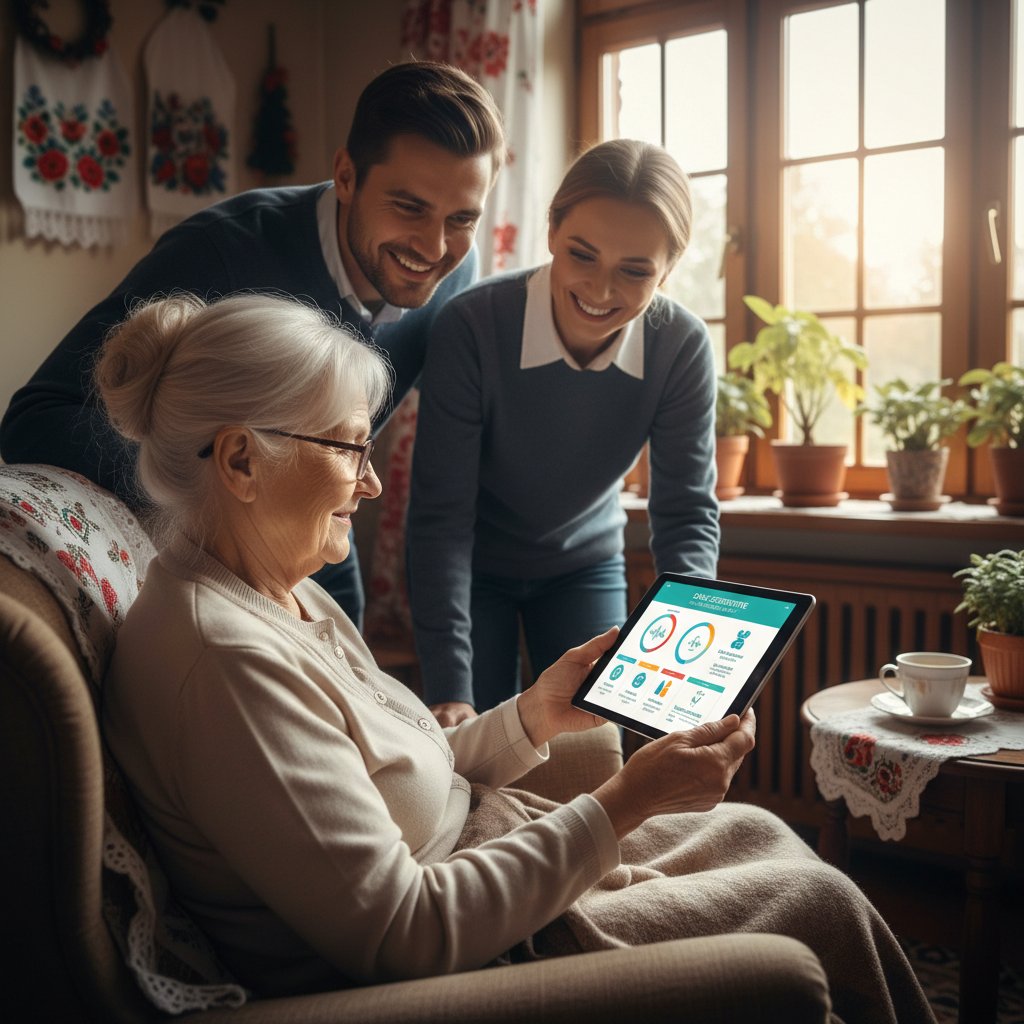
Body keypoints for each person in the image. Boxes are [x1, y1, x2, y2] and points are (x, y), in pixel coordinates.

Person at [96, 292, 933, 1024]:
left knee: (759, 832)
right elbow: (400, 932)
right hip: (482, 949)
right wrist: (623, 802)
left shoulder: (281, 589)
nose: (373, 482)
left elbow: (390, 771)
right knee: (812, 901)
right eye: (351, 448)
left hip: (494, 854)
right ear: (242, 459)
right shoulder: (222, 660)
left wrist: (534, 714)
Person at [0, 59, 504, 629]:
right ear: (345, 176)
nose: (435, 247)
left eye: (461, 219)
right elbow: (35, 419)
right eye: (409, 206)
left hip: (323, 548)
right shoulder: (220, 251)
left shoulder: (456, 277)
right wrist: (217, 491)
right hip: (203, 565)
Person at [408, 139, 719, 726]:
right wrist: (450, 685)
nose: (601, 291)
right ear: (551, 231)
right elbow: (440, 515)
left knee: (590, 748)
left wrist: (692, 674)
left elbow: (684, 514)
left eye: (635, 271)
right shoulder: (472, 326)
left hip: (585, 563)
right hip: (473, 565)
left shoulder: (681, 347)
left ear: (669, 270)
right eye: (582, 255)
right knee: (478, 752)